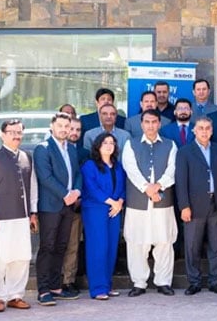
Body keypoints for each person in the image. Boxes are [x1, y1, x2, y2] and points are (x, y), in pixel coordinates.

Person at [121, 110, 178, 297]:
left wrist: (159, 186)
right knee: (137, 242)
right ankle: (139, 282)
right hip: (138, 202)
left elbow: (172, 170)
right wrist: (148, 189)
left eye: (154, 122)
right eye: (147, 122)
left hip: (163, 201)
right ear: (142, 124)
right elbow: (131, 169)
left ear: (160, 124)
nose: (151, 125)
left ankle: (163, 282)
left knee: (164, 242)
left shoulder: (171, 145)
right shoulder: (131, 144)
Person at [34, 112, 82, 305]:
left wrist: (77, 191)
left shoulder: (71, 148)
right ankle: (43, 290)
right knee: (47, 247)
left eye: (67, 126)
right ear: (52, 126)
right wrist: (65, 194)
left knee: (61, 246)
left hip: (68, 206)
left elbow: (77, 173)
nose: (64, 129)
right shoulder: (43, 148)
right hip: (51, 206)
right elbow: (45, 177)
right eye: (60, 125)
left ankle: (55, 286)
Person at [175, 117, 217, 296]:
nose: (204, 131)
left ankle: (215, 281)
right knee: (192, 246)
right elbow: (181, 182)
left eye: (207, 128)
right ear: (194, 131)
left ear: (212, 131)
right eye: (200, 128)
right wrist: (184, 206)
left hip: (216, 204)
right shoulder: (184, 152)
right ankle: (194, 282)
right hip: (193, 206)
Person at [0, 119, 37, 312]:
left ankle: (15, 295)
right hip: (0, 217)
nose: (16, 136)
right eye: (12, 132)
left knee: (21, 257)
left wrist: (33, 212)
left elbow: (33, 187)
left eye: (19, 132)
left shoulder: (27, 156)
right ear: (3, 135)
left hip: (22, 216)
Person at [80, 132, 125, 300]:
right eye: (105, 142)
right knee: (98, 247)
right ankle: (98, 288)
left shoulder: (118, 165)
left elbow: (122, 186)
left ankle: (107, 285)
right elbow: (91, 188)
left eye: (112, 143)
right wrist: (112, 202)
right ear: (98, 146)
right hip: (95, 210)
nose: (109, 145)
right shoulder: (89, 165)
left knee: (111, 247)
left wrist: (119, 201)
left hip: (114, 210)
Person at [60, 116, 90, 296]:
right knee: (56, 245)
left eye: (78, 130)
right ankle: (54, 279)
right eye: (72, 129)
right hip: (57, 205)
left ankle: (68, 281)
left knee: (73, 245)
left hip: (78, 205)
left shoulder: (85, 153)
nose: (74, 133)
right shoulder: (53, 150)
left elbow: (85, 177)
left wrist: (78, 195)